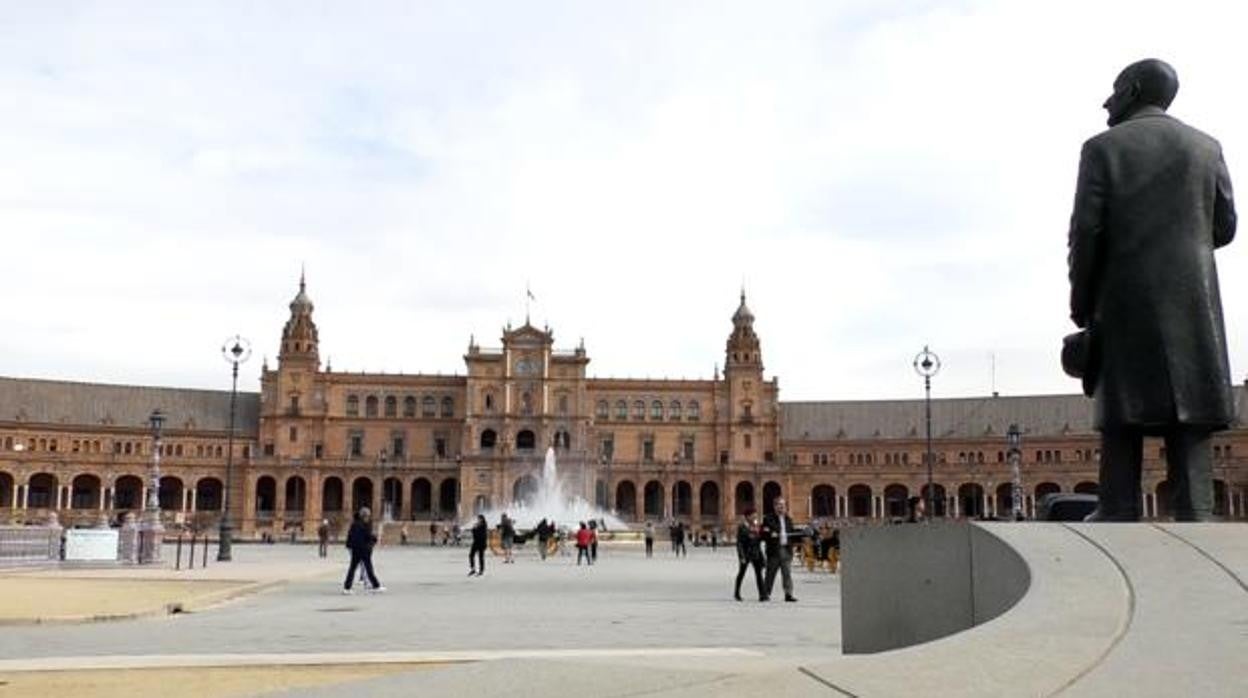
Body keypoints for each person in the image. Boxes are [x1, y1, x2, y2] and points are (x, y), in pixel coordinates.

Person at [1067, 58, 1236, 522]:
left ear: (1134, 89)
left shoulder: (1102, 148)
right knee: (1191, 400)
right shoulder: (1207, 147)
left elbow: (1086, 232)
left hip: (1124, 298)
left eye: (1115, 89)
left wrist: (1081, 302)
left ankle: (1117, 505)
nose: (1107, 100)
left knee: (1123, 405)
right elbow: (1224, 227)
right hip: (1193, 298)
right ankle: (1197, 506)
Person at [761, 497, 798, 602]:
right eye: (778, 505)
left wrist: (804, 534)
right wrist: (770, 533)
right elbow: (763, 532)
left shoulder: (788, 519)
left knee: (787, 573)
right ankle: (766, 593)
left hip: (786, 550)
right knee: (770, 573)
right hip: (774, 551)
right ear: (774, 507)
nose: (781, 507)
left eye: (783, 505)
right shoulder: (768, 519)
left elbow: (793, 533)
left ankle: (788, 594)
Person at [342, 507, 383, 594]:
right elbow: (368, 536)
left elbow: (351, 536)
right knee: (368, 568)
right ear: (364, 516)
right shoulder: (363, 525)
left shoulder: (355, 524)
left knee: (353, 568)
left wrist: (350, 546)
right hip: (363, 550)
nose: (368, 518)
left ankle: (347, 587)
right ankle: (376, 586)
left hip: (356, 549)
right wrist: (375, 539)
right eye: (368, 516)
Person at [734, 508, 765, 601]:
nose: (755, 517)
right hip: (746, 553)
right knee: (741, 574)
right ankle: (737, 593)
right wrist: (741, 556)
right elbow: (739, 543)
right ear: (747, 517)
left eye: (755, 515)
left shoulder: (756, 526)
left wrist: (759, 533)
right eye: (753, 515)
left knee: (759, 574)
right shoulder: (742, 527)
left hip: (756, 553)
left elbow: (760, 539)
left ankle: (762, 595)